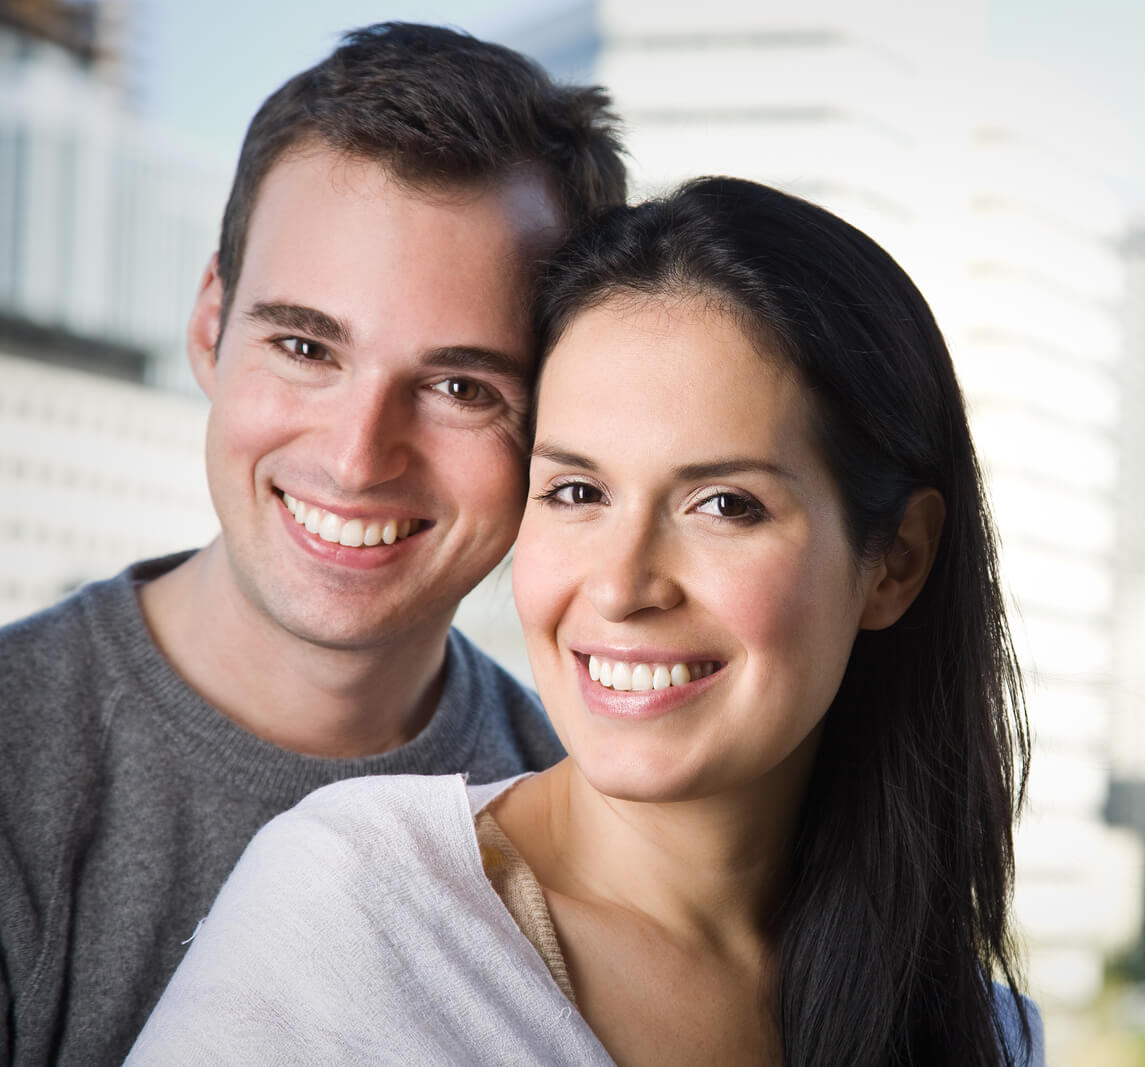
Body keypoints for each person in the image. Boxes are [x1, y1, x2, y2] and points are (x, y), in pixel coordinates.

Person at [129, 177, 1042, 1065]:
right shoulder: (357, 913)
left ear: (899, 561)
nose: (621, 585)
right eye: (577, 491)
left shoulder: (986, 1031)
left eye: (724, 505)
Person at [0, 22, 626, 1065]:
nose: (356, 453)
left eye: (460, 386)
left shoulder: (580, 816)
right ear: (210, 325)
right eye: (303, 345)